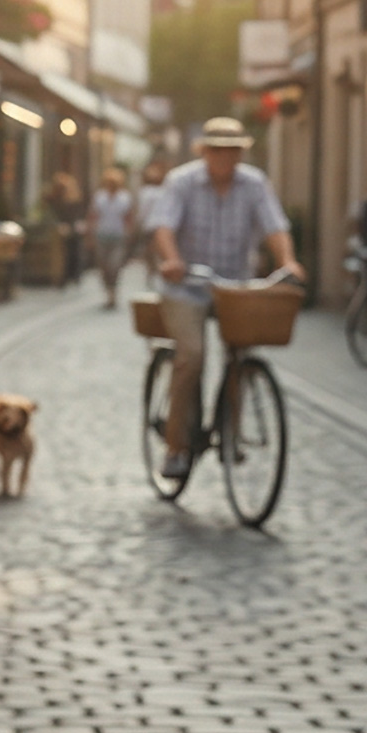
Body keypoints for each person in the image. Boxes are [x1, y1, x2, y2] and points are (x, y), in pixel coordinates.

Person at [148, 116, 301, 479]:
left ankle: (230, 433)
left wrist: (288, 261)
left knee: (242, 356)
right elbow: (163, 226)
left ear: (240, 154)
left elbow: (275, 227)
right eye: (217, 150)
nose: (224, 158)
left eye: (232, 151)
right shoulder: (181, 182)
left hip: (235, 287)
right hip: (187, 286)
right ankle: (176, 447)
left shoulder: (254, 184)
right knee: (193, 356)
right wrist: (171, 259)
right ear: (205, 152)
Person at [89, 165, 140, 308]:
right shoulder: (100, 197)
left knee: (114, 265)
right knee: (103, 267)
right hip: (102, 235)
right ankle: (108, 291)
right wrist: (90, 235)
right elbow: (93, 216)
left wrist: (130, 234)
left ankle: (113, 293)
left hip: (118, 236)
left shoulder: (125, 198)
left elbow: (129, 217)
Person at [44, 168, 85, 287]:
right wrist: (59, 225)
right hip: (59, 230)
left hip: (73, 228)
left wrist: (77, 224)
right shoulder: (52, 199)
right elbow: (51, 214)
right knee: (62, 254)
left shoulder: (73, 198)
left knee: (75, 251)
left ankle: (75, 275)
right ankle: (63, 277)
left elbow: (78, 213)